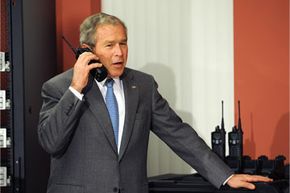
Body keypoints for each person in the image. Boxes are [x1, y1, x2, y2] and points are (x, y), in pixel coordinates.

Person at [38, 12, 272, 193]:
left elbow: (178, 133)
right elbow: (51, 142)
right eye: (110, 45)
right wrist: (76, 88)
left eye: (123, 43)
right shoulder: (58, 87)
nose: (119, 53)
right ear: (87, 51)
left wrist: (225, 176)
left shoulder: (142, 85)